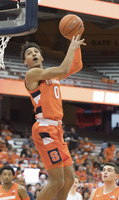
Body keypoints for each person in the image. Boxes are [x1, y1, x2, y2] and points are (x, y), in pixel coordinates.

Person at [22, 34, 85, 200]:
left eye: (36, 51)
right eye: (29, 53)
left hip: (57, 128)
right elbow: (64, 69)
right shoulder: (32, 75)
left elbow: (77, 65)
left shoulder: (51, 75)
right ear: (25, 62)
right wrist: (70, 47)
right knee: (57, 181)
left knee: (69, 179)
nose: (34, 54)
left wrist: (76, 45)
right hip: (45, 128)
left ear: (42, 57)